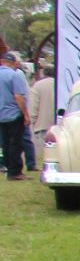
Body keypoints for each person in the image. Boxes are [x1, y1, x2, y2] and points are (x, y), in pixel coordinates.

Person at [0, 50, 29, 181]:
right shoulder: (14, 75)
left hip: (1, 115)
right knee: (16, 143)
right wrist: (26, 114)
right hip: (14, 114)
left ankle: (7, 167)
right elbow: (18, 96)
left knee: (5, 143)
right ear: (13, 63)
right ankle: (15, 171)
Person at [27, 61, 53, 172]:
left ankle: (47, 167)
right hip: (59, 123)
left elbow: (33, 106)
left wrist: (31, 120)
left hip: (42, 124)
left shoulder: (37, 85)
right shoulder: (61, 84)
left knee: (46, 150)